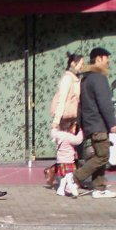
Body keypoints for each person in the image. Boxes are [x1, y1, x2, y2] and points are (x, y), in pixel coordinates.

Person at [64, 47, 116, 200]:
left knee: (99, 155)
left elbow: (83, 104)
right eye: (106, 58)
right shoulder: (99, 78)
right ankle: (74, 178)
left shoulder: (87, 78)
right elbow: (104, 103)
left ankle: (99, 188)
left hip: (91, 123)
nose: (108, 61)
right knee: (103, 156)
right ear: (98, 59)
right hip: (98, 124)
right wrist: (113, 123)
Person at [45, 52, 84, 186]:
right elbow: (62, 101)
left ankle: (67, 178)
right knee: (68, 150)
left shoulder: (74, 78)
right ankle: (63, 176)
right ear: (73, 63)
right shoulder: (67, 79)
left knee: (69, 151)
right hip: (65, 118)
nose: (81, 67)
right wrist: (56, 121)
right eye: (80, 64)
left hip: (72, 117)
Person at [51, 118, 84, 197]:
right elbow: (78, 140)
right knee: (69, 176)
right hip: (68, 160)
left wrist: (54, 127)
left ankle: (61, 190)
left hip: (60, 160)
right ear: (70, 128)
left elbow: (52, 133)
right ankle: (72, 189)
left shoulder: (58, 135)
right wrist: (80, 132)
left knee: (63, 176)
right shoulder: (69, 137)